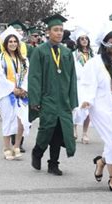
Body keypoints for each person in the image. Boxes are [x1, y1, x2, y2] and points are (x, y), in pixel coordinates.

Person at [80, 30, 112, 194]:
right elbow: (88, 84)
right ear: (105, 44)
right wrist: (87, 99)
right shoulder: (95, 63)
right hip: (101, 106)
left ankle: (102, 162)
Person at [29, 14, 78, 176]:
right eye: (56, 30)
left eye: (61, 30)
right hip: (47, 98)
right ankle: (37, 151)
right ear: (48, 32)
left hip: (63, 99)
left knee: (59, 131)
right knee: (46, 129)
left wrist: (72, 100)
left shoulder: (67, 53)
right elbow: (34, 76)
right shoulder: (39, 51)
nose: (59, 33)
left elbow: (72, 79)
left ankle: (53, 164)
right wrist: (35, 99)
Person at [0, 27, 30, 160]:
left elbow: (27, 76)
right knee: (8, 120)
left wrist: (23, 89)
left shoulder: (24, 59)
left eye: (15, 41)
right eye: (10, 42)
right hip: (6, 94)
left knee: (22, 121)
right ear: (5, 44)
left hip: (21, 94)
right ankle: (6, 147)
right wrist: (12, 89)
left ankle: (17, 145)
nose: (13, 44)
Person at [72, 27, 93, 144]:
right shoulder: (74, 55)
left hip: (89, 84)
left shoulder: (92, 54)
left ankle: (85, 133)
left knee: (88, 108)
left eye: (86, 38)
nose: (84, 40)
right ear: (78, 41)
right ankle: (74, 129)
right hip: (78, 83)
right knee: (77, 107)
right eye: (82, 39)